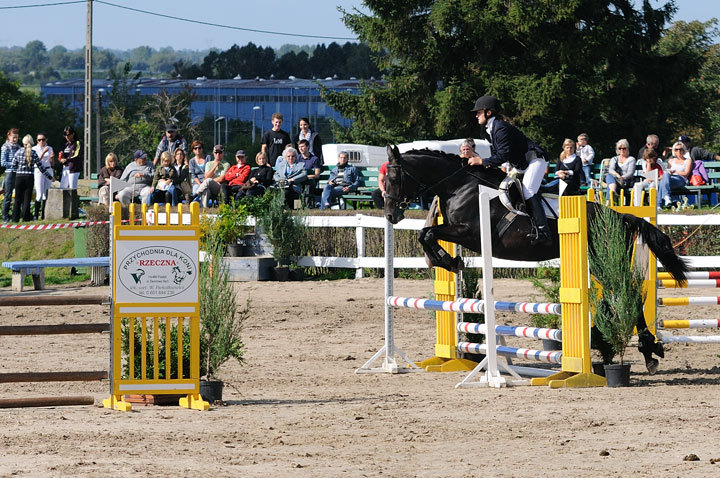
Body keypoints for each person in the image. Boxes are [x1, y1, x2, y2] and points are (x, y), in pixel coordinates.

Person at [467, 95, 551, 246]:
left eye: (478, 112)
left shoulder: (499, 128)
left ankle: (544, 231)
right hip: (522, 164)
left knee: (528, 191)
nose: (476, 115)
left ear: (489, 112)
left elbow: (503, 155)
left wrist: (481, 161)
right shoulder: (493, 128)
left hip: (535, 160)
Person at [11, 135, 53, 222]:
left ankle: (15, 218)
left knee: (18, 198)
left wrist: (18, 171)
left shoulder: (18, 152)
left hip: (19, 177)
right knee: (27, 198)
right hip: (29, 177)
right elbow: (41, 167)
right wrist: (50, 177)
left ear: (23, 143)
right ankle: (26, 218)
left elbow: (13, 165)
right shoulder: (33, 153)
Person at [657, 141, 693, 208]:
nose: (678, 151)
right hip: (669, 180)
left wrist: (674, 172)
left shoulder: (688, 160)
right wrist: (669, 172)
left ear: (684, 150)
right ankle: (666, 198)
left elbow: (686, 173)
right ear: (674, 151)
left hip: (681, 179)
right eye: (676, 149)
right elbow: (667, 173)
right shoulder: (671, 160)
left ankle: (660, 204)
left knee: (663, 181)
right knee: (665, 176)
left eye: (680, 149)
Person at [31, 132, 54, 218]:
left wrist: (52, 158)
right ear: (37, 140)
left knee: (46, 193)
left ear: (46, 140)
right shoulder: (34, 149)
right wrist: (43, 152)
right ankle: (36, 215)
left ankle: (44, 215)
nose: (41, 141)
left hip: (48, 170)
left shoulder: (50, 148)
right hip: (38, 171)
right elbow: (36, 161)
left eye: (43, 139)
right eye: (39, 140)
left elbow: (52, 163)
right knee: (39, 193)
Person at [1, 128, 21, 222]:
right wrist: (13, 164)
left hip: (18, 173)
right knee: (8, 195)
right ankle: (5, 217)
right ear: (9, 136)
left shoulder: (19, 147)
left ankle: (15, 216)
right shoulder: (5, 147)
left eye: (16, 137)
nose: (15, 139)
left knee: (18, 195)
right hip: (9, 173)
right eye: (13, 137)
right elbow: (3, 162)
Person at [298, 139, 322, 207]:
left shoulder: (314, 159)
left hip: (310, 182)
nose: (301, 149)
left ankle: (306, 206)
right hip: (299, 181)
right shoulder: (297, 158)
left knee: (308, 186)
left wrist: (306, 177)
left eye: (302, 146)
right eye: (299, 147)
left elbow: (317, 175)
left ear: (308, 147)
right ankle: (297, 207)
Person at [58, 125, 82, 190]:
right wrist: (61, 158)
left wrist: (66, 159)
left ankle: (73, 200)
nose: (67, 137)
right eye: (65, 135)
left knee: (72, 188)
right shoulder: (66, 144)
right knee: (62, 188)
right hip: (65, 168)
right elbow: (64, 155)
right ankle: (65, 200)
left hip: (74, 168)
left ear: (73, 134)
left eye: (68, 135)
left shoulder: (77, 143)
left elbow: (76, 155)